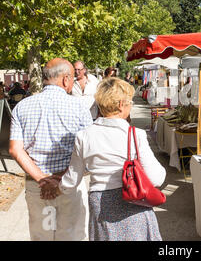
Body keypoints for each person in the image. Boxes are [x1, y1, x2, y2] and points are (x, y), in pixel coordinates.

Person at [56, 77, 165, 241]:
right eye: (130, 102)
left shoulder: (83, 136)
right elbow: (156, 178)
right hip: (133, 198)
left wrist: (53, 185)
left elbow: (71, 181)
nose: (131, 106)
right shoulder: (135, 135)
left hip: (100, 203)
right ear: (121, 105)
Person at [9, 58, 93, 241]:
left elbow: (15, 150)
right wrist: (60, 179)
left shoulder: (22, 107)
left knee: (42, 236)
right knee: (72, 236)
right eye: (72, 78)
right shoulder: (79, 107)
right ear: (65, 79)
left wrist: (43, 179)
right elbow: (87, 150)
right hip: (69, 185)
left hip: (37, 187)